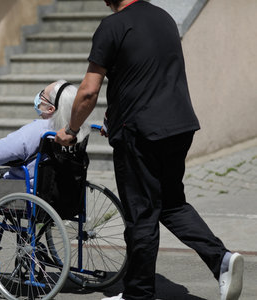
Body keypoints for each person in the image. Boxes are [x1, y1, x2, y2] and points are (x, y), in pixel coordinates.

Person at [55, 1, 244, 300]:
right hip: (179, 126)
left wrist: (72, 130)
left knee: (141, 215)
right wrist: (114, 117)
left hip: (141, 134)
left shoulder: (112, 26)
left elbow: (89, 91)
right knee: (171, 204)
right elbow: (145, 76)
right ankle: (221, 260)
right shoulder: (164, 18)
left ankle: (138, 295)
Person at [0, 80, 90, 236]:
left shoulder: (39, 129)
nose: (39, 97)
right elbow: (17, 151)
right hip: (62, 195)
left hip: (27, 195)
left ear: (51, 108)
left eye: (42, 94)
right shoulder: (74, 131)